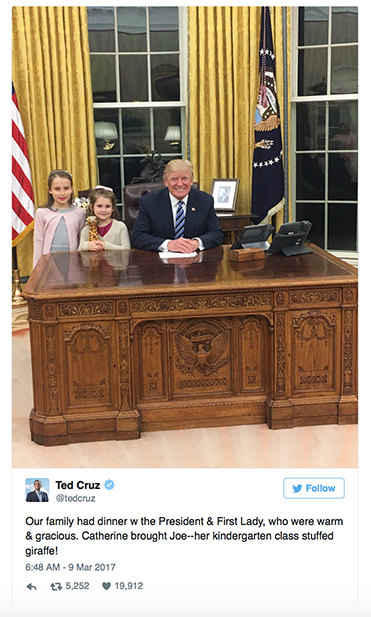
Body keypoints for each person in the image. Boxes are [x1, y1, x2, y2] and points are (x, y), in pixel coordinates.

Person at [131, 159, 223, 253]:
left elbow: (216, 233)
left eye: (184, 178)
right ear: (166, 182)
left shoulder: (205, 201)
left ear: (191, 181)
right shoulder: (149, 202)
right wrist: (168, 244)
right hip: (159, 263)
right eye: (174, 179)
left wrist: (196, 243)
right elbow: (138, 237)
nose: (180, 184)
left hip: (195, 261)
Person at [33, 169, 86, 268]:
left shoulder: (79, 213)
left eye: (66, 188)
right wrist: (37, 268)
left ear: (71, 189)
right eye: (57, 189)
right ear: (50, 190)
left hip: (73, 263)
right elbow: (38, 241)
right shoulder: (42, 213)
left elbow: (81, 241)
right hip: (49, 263)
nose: (62, 193)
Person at [78, 185, 130, 251]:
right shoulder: (86, 230)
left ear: (113, 208)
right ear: (91, 207)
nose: (104, 210)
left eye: (107, 206)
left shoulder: (120, 227)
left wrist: (106, 246)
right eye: (99, 206)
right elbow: (79, 251)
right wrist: (87, 246)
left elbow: (127, 250)